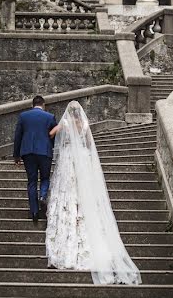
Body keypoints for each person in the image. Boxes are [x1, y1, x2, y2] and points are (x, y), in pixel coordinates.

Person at [45, 101, 142, 285]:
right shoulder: (86, 124)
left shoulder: (65, 123)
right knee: (83, 191)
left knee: (68, 189)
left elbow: (51, 134)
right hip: (83, 158)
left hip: (68, 158)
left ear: (68, 113)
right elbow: (89, 144)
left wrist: (64, 139)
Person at [13, 95, 58, 223]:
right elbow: (53, 135)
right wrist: (51, 148)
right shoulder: (49, 117)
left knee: (31, 181)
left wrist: (16, 155)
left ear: (32, 105)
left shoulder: (23, 116)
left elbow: (18, 136)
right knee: (45, 178)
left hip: (28, 152)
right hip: (44, 152)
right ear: (43, 105)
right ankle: (43, 196)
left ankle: (34, 211)